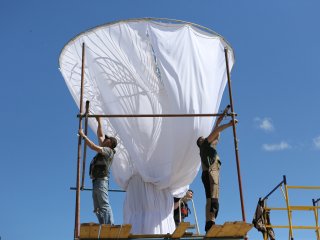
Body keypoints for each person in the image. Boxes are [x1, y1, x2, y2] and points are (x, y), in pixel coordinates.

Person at [196, 105, 238, 232]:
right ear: (202, 142)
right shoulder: (205, 145)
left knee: (210, 198)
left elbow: (216, 130)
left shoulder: (208, 147)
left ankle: (210, 222)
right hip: (210, 173)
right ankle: (211, 222)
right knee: (213, 200)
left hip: (207, 173)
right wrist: (230, 124)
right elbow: (217, 130)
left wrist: (222, 116)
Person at [78, 117, 117, 225]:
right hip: (96, 181)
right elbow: (100, 135)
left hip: (101, 181)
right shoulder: (105, 148)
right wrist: (99, 121)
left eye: (107, 139)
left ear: (110, 143)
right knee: (97, 207)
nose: (104, 139)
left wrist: (84, 136)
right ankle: (103, 224)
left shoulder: (108, 151)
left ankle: (109, 225)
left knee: (104, 204)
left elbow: (93, 146)